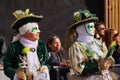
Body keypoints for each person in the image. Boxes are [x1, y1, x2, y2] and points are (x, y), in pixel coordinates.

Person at [65, 10, 117, 80]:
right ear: (82, 28)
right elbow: (78, 69)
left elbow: (109, 57)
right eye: (90, 27)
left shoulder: (98, 43)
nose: (93, 29)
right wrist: (97, 65)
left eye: (93, 26)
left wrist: (108, 62)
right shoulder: (76, 47)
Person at [3, 9, 50, 80]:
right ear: (25, 32)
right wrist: (16, 74)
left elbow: (48, 62)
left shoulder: (41, 45)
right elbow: (7, 66)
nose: (39, 31)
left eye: (38, 29)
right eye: (35, 29)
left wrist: (45, 68)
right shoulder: (14, 47)